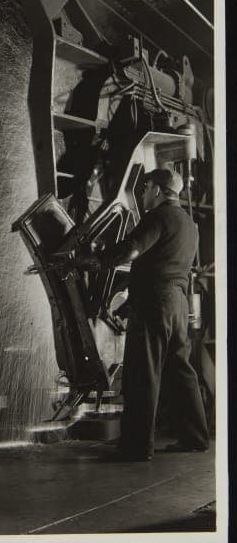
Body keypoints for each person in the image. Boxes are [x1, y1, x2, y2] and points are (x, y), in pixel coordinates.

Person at [74, 168, 209, 462]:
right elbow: (163, 262)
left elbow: (132, 249)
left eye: (145, 187)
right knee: (180, 370)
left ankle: (136, 446)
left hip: (154, 304)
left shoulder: (157, 218)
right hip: (177, 304)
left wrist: (95, 261)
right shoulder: (188, 223)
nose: (143, 193)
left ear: (158, 189)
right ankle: (196, 437)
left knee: (142, 374)